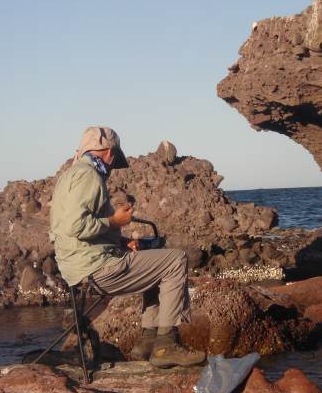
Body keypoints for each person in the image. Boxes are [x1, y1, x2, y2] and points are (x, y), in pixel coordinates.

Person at [49, 126, 205, 368]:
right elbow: (75, 226)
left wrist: (120, 242)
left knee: (152, 258)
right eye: (114, 160)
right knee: (176, 260)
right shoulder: (88, 175)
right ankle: (166, 346)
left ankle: (147, 342)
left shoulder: (69, 176)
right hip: (96, 270)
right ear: (110, 153)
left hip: (78, 268)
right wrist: (115, 221)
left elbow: (70, 231)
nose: (113, 167)